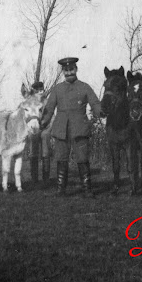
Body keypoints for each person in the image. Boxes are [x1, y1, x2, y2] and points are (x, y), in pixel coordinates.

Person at [40, 57, 102, 197]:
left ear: (76, 69)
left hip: (80, 128)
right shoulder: (57, 89)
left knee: (82, 159)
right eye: (66, 71)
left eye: (71, 70)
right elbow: (49, 108)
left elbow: (95, 103)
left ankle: (87, 189)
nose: (69, 73)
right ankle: (61, 189)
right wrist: (43, 121)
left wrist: (100, 112)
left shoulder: (84, 87)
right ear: (63, 72)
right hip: (61, 129)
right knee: (61, 159)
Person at [28, 81, 52, 185]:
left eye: (41, 90)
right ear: (33, 91)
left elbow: (52, 117)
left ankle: (46, 178)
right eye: (36, 90)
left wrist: (48, 129)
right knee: (33, 152)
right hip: (34, 129)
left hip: (45, 129)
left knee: (45, 153)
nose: (39, 92)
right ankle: (34, 178)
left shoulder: (48, 102)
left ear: (44, 90)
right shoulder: (30, 101)